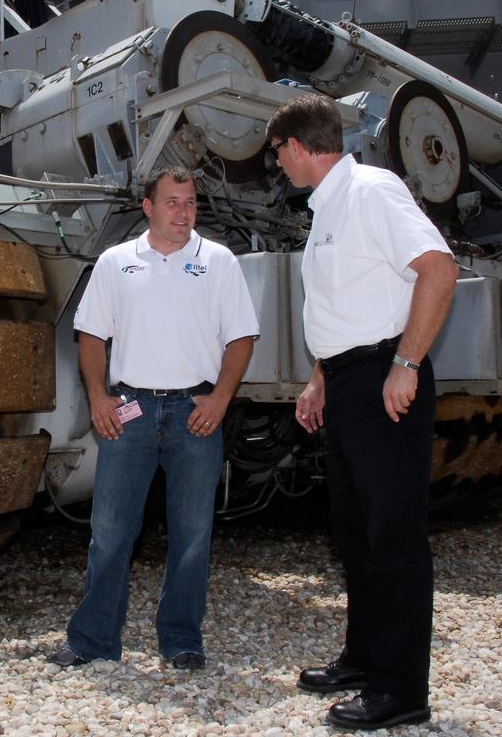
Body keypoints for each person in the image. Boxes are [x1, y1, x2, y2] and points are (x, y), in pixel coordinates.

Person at [266, 94, 457, 730]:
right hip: (348, 382)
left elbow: (437, 269)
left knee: (393, 533)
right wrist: (320, 378)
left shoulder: (373, 191)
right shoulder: (327, 210)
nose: (279, 166)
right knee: (353, 527)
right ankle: (364, 656)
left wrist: (405, 366)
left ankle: (402, 689)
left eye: (278, 154)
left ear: (296, 147)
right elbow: (348, 308)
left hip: (383, 378)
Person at [49, 163, 259, 671]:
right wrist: (98, 398)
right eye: (172, 202)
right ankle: (93, 640)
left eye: (189, 203)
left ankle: (182, 639)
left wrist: (220, 399)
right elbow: (92, 336)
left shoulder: (220, 262)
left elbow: (242, 337)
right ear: (148, 207)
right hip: (130, 411)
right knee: (112, 532)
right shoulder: (117, 261)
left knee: (192, 534)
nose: (183, 212)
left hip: (195, 413)